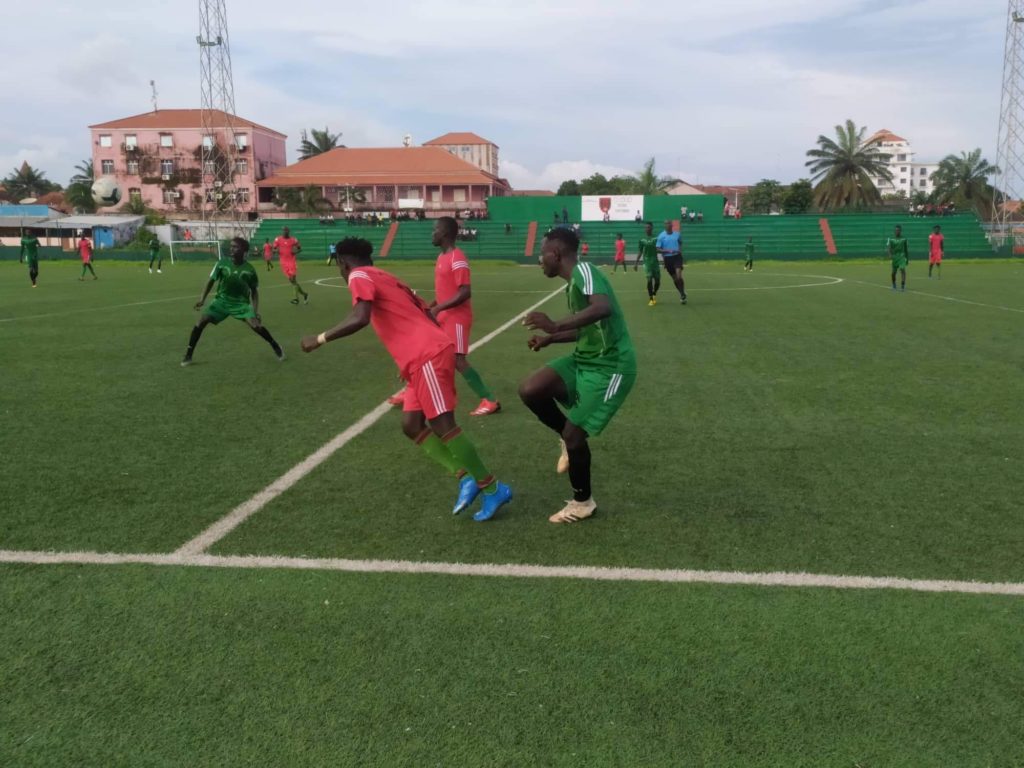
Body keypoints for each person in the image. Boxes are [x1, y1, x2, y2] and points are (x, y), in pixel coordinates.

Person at [301, 237, 513, 522]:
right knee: (411, 424)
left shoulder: (358, 275)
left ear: (343, 262)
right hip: (420, 358)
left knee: (443, 425)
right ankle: (466, 477)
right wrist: (410, 357)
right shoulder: (386, 276)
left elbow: (360, 317)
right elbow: (425, 312)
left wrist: (319, 339)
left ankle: (493, 488)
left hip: (426, 355)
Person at [519, 228, 636, 523]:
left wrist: (554, 325)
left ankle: (583, 502)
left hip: (610, 366)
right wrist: (550, 339)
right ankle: (566, 438)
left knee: (575, 435)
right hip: (584, 357)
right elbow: (587, 327)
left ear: (556, 254)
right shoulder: (573, 283)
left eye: (542, 254)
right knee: (532, 389)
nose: (540, 260)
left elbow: (603, 308)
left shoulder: (584, 271)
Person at [181, 237, 285, 366]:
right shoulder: (222, 263)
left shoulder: (250, 270)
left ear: (244, 250)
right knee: (201, 321)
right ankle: (188, 354)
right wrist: (202, 299)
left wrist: (255, 311)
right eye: (231, 246)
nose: (231, 249)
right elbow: (210, 281)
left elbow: (254, 292)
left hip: (240, 304)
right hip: (222, 301)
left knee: (256, 326)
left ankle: (275, 345)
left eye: (235, 247)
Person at [273, 226, 309, 305]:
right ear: (282, 231)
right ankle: (304, 294)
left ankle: (296, 299)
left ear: (288, 231)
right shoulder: (278, 239)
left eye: (286, 231)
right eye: (284, 230)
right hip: (283, 263)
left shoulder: (293, 240)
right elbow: (274, 249)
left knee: (293, 279)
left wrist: (295, 252)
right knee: (293, 282)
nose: (285, 232)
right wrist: (276, 251)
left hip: (292, 262)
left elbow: (300, 248)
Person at [656, 219, 687, 304]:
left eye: (669, 223)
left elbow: (680, 242)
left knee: (679, 276)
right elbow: (657, 249)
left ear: (672, 225)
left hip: (677, 257)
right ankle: (682, 293)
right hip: (668, 259)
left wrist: (680, 250)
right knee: (675, 279)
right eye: (666, 224)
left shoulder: (677, 234)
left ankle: (682, 293)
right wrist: (667, 251)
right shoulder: (661, 236)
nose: (668, 225)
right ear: (664, 225)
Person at [634, 222, 661, 305]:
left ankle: (654, 293)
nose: (647, 229)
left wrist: (665, 261)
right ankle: (651, 298)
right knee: (649, 279)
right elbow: (640, 251)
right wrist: (636, 263)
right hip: (647, 262)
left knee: (657, 281)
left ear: (652, 228)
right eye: (646, 227)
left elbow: (659, 249)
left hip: (655, 262)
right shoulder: (642, 239)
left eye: (649, 227)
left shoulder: (656, 238)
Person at [887, 224, 910, 292]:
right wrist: (890, 255)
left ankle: (903, 285)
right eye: (896, 230)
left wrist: (907, 258)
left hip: (902, 256)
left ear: (901, 231)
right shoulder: (891, 239)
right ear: (894, 231)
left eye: (898, 230)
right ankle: (894, 284)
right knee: (893, 272)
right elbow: (889, 248)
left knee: (902, 269)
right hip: (894, 257)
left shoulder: (904, 239)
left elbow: (906, 249)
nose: (897, 231)